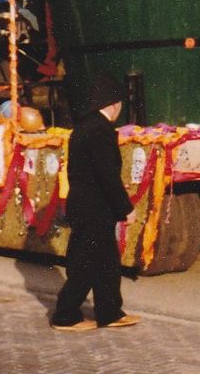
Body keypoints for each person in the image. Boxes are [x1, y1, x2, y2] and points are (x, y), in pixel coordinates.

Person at [50, 73, 140, 332]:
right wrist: (126, 208)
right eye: (120, 105)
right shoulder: (100, 130)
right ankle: (65, 315)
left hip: (90, 208)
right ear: (112, 104)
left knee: (107, 263)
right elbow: (107, 175)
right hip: (93, 209)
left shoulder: (85, 126)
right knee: (86, 264)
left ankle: (110, 311)